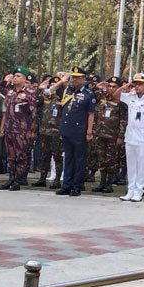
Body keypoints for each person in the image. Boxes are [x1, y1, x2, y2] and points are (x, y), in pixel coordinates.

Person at [114, 73, 144, 202]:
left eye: (140, 84)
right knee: (131, 164)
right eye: (136, 84)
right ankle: (130, 190)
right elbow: (115, 95)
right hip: (130, 135)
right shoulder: (130, 97)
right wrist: (127, 85)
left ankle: (139, 191)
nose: (137, 87)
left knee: (142, 164)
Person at [55, 66, 95, 196]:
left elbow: (90, 114)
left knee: (79, 159)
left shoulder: (88, 95)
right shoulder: (67, 91)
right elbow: (49, 91)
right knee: (68, 158)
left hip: (80, 131)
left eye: (77, 78)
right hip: (67, 129)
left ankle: (76, 186)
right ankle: (66, 185)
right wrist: (62, 81)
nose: (75, 80)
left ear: (84, 79)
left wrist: (89, 132)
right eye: (73, 78)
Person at [0, 67, 38, 191]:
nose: (15, 78)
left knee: (21, 156)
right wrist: (3, 127)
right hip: (10, 129)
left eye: (18, 76)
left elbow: (34, 114)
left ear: (24, 79)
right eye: (14, 76)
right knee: (11, 156)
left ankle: (18, 180)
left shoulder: (29, 94)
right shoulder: (11, 92)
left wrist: (31, 131)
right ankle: (11, 179)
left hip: (22, 130)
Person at [90, 76, 127, 193]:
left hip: (112, 136)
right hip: (99, 134)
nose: (110, 88)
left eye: (114, 87)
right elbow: (89, 92)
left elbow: (123, 120)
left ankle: (109, 183)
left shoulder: (121, 103)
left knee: (111, 161)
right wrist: (98, 86)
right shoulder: (101, 98)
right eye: (109, 86)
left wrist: (120, 136)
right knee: (101, 160)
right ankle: (102, 182)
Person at [32, 76, 64, 189]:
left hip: (56, 132)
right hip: (44, 131)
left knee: (57, 157)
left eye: (54, 85)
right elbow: (35, 98)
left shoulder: (62, 99)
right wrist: (40, 88)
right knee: (44, 156)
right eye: (50, 85)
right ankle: (42, 178)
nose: (51, 87)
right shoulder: (45, 98)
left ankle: (57, 180)